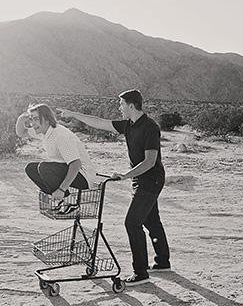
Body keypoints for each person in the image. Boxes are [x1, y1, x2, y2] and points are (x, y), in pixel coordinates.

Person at [58, 89, 169, 286]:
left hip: (151, 180)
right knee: (151, 220)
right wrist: (74, 114)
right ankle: (163, 262)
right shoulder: (128, 124)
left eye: (121, 104)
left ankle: (140, 273)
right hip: (141, 180)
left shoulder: (149, 127)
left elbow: (150, 161)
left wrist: (125, 175)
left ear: (131, 106)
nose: (120, 108)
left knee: (132, 223)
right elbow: (99, 122)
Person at [15, 103, 96, 214]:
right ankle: (59, 200)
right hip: (68, 170)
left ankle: (70, 202)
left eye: (35, 119)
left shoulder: (59, 135)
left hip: (83, 175)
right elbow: (21, 132)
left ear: (47, 119)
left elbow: (76, 164)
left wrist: (62, 189)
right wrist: (22, 117)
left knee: (45, 168)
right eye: (31, 120)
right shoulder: (43, 131)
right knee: (31, 168)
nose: (32, 124)